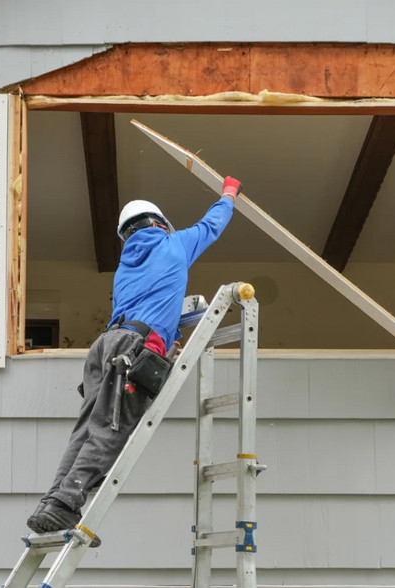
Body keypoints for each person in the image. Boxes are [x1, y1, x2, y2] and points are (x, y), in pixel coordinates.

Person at [27, 176, 243, 539]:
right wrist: (229, 193)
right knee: (111, 430)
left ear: (126, 236)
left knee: (86, 431)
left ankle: (53, 502)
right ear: (160, 224)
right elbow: (212, 225)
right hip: (132, 349)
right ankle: (64, 505)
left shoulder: (125, 266)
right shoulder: (175, 245)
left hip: (104, 347)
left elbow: (153, 303)